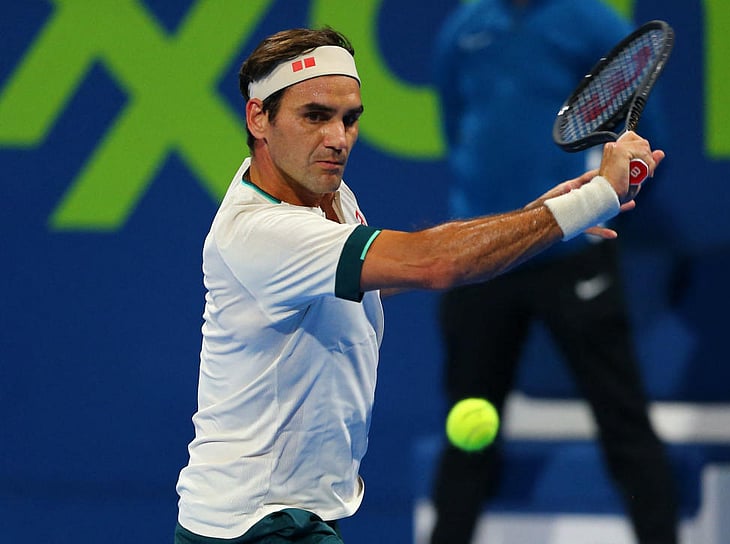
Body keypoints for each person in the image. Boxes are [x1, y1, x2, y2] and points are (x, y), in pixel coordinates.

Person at [174, 26, 664, 544]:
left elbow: (381, 275)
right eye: (315, 116)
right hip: (260, 524)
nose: (338, 139)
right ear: (259, 118)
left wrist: (536, 217)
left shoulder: (325, 196)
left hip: (274, 518)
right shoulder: (261, 232)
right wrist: (595, 197)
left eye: (349, 119)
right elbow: (431, 263)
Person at [428, 1, 679, 543]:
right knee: (466, 434)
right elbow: (457, 132)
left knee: (624, 424)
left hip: (572, 256)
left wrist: (604, 194)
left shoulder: (593, 22)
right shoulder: (463, 28)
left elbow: (644, 144)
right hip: (485, 260)